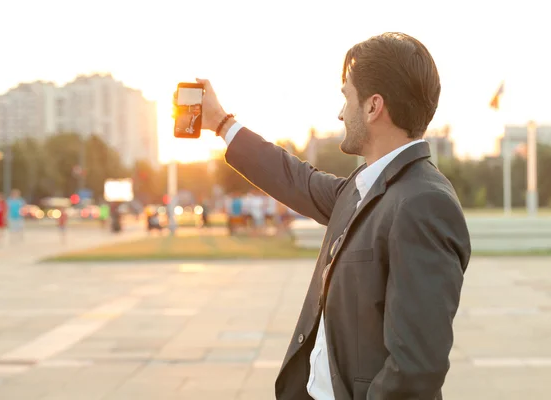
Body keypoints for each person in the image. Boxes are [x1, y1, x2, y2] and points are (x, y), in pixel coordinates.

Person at [193, 32, 471, 400]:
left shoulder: (423, 203)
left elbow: (416, 370)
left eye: (346, 97)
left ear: (373, 107)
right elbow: (296, 180)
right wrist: (222, 124)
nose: (341, 112)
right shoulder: (365, 186)